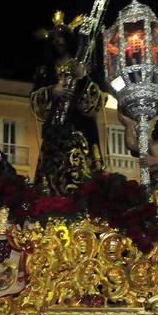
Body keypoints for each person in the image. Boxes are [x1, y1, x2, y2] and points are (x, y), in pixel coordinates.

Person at [31, 11, 106, 196]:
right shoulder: (44, 71)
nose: (58, 41)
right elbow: (34, 102)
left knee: (79, 176)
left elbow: (98, 102)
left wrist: (83, 77)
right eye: (54, 38)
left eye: (61, 37)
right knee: (51, 176)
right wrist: (51, 92)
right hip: (54, 132)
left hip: (80, 129)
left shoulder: (84, 66)